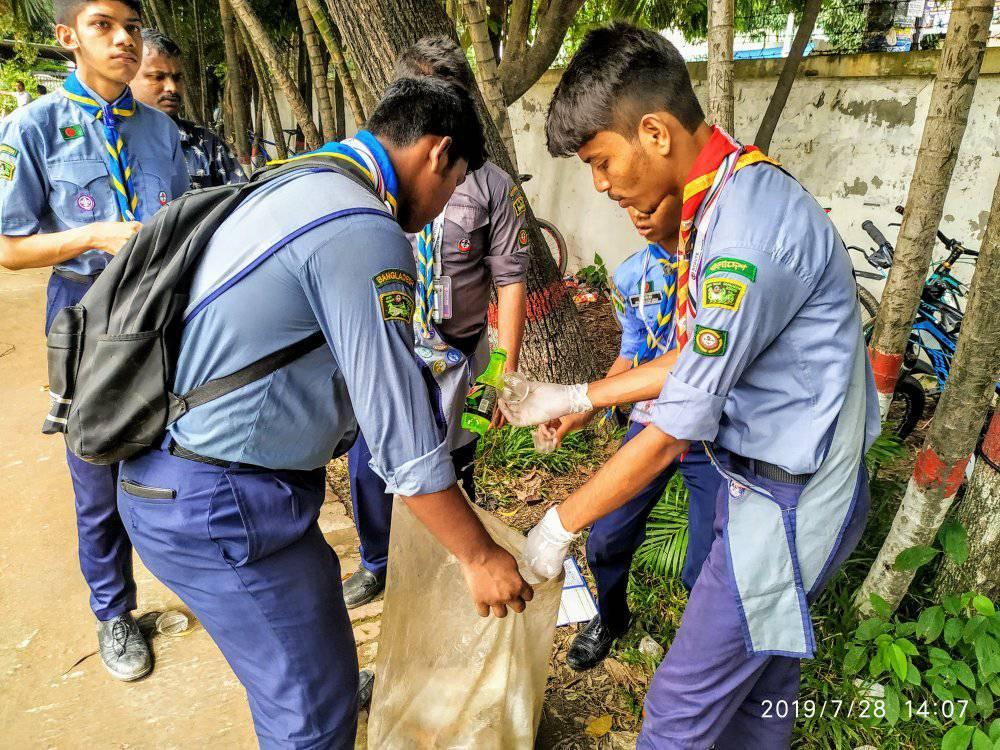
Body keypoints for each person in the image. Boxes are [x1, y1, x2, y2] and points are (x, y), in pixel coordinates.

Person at [115, 76, 534, 748]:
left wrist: (489, 384)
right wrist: (478, 555)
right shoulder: (360, 227)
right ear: (437, 153)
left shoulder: (299, 181)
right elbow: (403, 443)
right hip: (222, 500)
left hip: (210, 480)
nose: (443, 205)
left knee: (321, 676)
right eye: (453, 184)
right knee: (310, 718)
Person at [502, 24, 880, 747]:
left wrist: (558, 526)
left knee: (677, 711)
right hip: (763, 483)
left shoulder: (745, 232)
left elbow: (674, 426)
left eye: (601, 161)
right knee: (760, 689)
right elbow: (692, 358)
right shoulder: (722, 199)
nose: (601, 185)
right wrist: (579, 396)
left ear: (654, 131)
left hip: (794, 500)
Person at [0, 0, 188, 682]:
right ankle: (114, 613)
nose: (124, 39)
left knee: (183, 455)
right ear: (67, 38)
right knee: (97, 472)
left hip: (162, 311)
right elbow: (10, 248)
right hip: (84, 312)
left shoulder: (161, 134)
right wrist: (94, 235)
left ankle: (204, 582)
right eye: (104, 24)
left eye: (131, 27)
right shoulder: (31, 128)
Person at [342, 36, 529, 609]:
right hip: (392, 347)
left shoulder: (491, 186)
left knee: (456, 462)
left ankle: (457, 562)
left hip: (460, 355)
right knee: (372, 462)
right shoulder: (368, 178)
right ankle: (379, 561)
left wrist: (501, 370)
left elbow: (511, 282)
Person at [542, 195, 725, 671]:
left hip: (711, 434)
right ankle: (611, 616)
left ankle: (700, 647)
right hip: (650, 422)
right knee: (605, 538)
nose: (640, 213)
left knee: (707, 564)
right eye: (630, 206)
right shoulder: (629, 277)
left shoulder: (717, 271)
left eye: (652, 201)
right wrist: (586, 405)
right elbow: (633, 352)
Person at [130, 28, 246, 189]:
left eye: (177, 78)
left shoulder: (206, 144)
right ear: (127, 78)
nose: (172, 88)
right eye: (158, 77)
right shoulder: (110, 141)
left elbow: (242, 205)